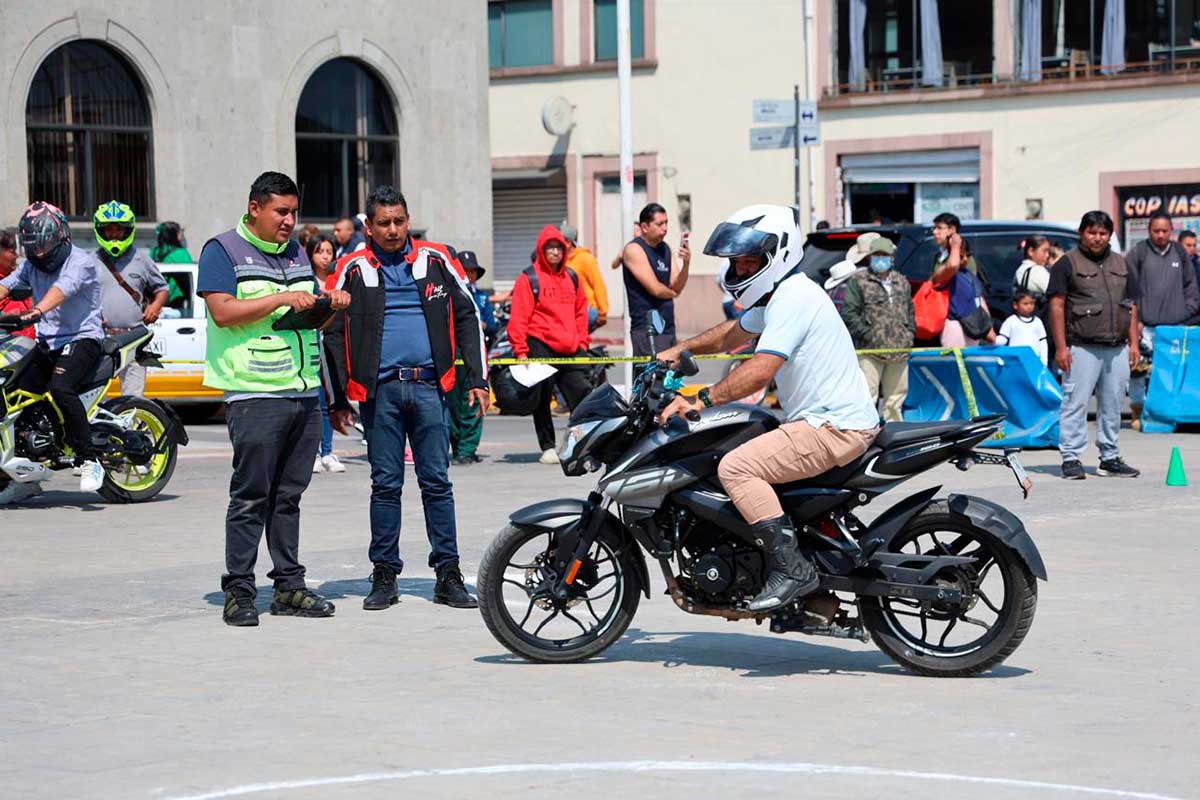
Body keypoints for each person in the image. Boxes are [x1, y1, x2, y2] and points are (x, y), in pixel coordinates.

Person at [657, 204, 880, 612]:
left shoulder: (793, 298)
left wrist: (698, 399)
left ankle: (792, 569)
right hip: (825, 422)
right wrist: (681, 348)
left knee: (736, 468)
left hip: (832, 427)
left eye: (748, 262)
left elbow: (760, 370)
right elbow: (732, 334)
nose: (740, 271)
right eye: (736, 263)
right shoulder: (782, 297)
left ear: (777, 256)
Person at [198, 171, 351, 626]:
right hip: (255, 392)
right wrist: (283, 297)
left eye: (293, 212)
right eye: (280, 211)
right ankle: (240, 590)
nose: (288, 221)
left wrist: (328, 306)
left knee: (288, 497)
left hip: (303, 391)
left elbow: (305, 323)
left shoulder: (297, 252)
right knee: (251, 495)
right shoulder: (222, 250)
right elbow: (222, 312)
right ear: (255, 208)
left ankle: (289, 586)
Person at [325, 185, 489, 612]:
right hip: (380, 395)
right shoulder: (352, 267)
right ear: (369, 226)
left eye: (400, 221)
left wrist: (477, 378)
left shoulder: (436, 260)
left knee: (437, 482)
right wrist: (340, 397)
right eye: (384, 223)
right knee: (385, 485)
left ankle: (448, 575)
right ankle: (383, 576)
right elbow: (330, 329)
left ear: (408, 219)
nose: (394, 229)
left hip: (431, 389)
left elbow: (468, 314)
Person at [0, 202, 106, 493]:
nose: (40, 254)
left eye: (45, 246)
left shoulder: (80, 262)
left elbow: (62, 290)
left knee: (60, 388)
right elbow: (7, 284)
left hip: (82, 339)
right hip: (48, 343)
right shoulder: (31, 264)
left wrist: (37, 311)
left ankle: (89, 459)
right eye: (34, 248)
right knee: (13, 390)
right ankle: (24, 472)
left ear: (61, 236)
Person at [1047, 210, 1140, 480]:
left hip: (1117, 347)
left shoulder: (1122, 265)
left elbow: (1131, 306)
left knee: (1113, 404)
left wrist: (1134, 344)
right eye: (1092, 232)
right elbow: (1056, 306)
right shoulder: (1067, 263)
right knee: (1075, 403)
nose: (1097, 238)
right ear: (1081, 233)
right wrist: (1061, 347)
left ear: (1110, 235)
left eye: (1102, 233)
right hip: (1081, 347)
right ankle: (1071, 458)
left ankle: (1110, 457)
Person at [507, 225, 593, 464]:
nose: (555, 252)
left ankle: (579, 443)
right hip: (540, 345)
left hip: (570, 348)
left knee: (583, 395)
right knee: (542, 400)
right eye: (550, 247)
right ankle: (548, 447)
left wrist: (583, 343)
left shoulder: (572, 277)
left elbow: (581, 314)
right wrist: (521, 352)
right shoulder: (529, 278)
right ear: (541, 250)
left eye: (558, 247)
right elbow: (519, 317)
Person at [1124, 213, 1200, 430]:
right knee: (1139, 370)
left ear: (1171, 231)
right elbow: (1128, 290)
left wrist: (1185, 312)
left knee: (1172, 371)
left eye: (1164, 231)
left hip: (1174, 328)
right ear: (1149, 231)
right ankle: (1138, 410)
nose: (1160, 235)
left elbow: (1191, 287)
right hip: (1145, 326)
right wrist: (1134, 320)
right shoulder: (1138, 253)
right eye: (1155, 231)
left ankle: (1169, 412)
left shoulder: (1179, 253)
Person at [92, 200, 169, 397]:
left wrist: (155, 306)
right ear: (100, 231)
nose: (114, 234)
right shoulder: (90, 261)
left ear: (128, 230)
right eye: (109, 230)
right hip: (100, 338)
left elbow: (162, 288)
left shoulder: (142, 259)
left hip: (133, 338)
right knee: (95, 396)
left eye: (119, 230)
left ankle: (131, 428)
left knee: (133, 398)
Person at [840, 237, 915, 422]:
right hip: (870, 351)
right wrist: (868, 335)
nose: (880, 259)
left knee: (895, 400)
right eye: (877, 255)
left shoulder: (901, 281)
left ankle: (894, 434)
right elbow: (849, 313)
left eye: (885, 255)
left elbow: (910, 311)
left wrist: (909, 334)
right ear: (870, 257)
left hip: (899, 350)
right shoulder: (858, 281)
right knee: (867, 396)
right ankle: (865, 432)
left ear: (892, 257)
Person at [617, 203, 691, 356]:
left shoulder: (666, 249)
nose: (665, 228)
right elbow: (656, 289)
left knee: (669, 378)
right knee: (651, 378)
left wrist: (686, 264)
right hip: (647, 329)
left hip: (668, 326)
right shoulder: (634, 250)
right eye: (659, 224)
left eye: (666, 223)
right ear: (644, 226)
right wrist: (673, 292)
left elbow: (678, 285)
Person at [448, 249, 497, 465]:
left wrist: (481, 326)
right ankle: (457, 446)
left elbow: (492, 326)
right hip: (453, 353)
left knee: (473, 401)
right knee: (451, 403)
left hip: (476, 353)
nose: (469, 275)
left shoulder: (482, 298)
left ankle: (468, 449)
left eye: (472, 271)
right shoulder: (448, 294)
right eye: (464, 270)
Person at [305, 234, 345, 474]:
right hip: (313, 346)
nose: (325, 256)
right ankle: (313, 453)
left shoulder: (338, 280)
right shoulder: (306, 282)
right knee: (315, 402)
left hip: (333, 348)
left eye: (329, 252)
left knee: (328, 403)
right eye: (320, 251)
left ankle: (328, 451)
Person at [930, 213, 993, 347]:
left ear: (952, 230)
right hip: (943, 318)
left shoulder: (962, 258)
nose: (935, 232)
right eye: (934, 228)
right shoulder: (939, 257)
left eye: (939, 228)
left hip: (963, 321)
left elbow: (976, 294)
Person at [559, 222, 609, 331]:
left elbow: (598, 284)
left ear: (568, 242)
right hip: (569, 309)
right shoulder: (560, 260)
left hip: (586, 309)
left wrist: (603, 313)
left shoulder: (585, 258)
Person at [997, 290, 1048, 365]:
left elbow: (1043, 342)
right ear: (1015, 305)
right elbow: (1003, 339)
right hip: (1015, 361)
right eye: (1025, 304)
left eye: (1032, 303)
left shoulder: (1037, 322)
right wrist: (993, 340)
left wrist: (1044, 361)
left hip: (1034, 361)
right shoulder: (1011, 321)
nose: (1029, 306)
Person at [0, 231, 34, 338]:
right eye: (12, 252)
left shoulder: (18, 279)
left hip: (27, 347)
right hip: (6, 347)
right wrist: (6, 316)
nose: (16, 256)